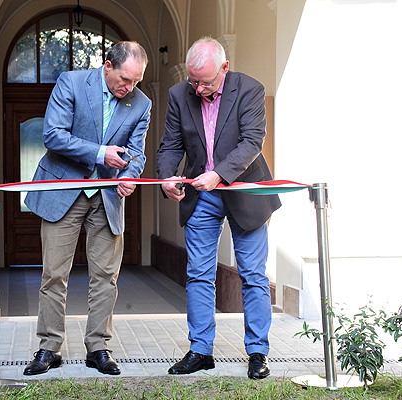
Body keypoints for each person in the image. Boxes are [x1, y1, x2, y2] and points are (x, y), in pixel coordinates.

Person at [156, 37, 281, 379]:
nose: (197, 89)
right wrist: (168, 177)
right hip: (202, 194)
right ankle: (200, 350)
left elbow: (252, 142)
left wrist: (219, 174)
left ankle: (258, 352)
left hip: (243, 190)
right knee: (198, 273)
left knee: (253, 275)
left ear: (224, 68)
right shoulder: (179, 95)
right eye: (193, 81)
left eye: (206, 82)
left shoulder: (250, 89)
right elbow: (170, 144)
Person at [23, 41, 150, 376]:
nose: (129, 88)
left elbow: (136, 152)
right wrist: (100, 153)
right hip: (64, 189)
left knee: (106, 276)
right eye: (125, 79)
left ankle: (98, 347)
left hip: (107, 196)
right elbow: (53, 135)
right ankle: (49, 348)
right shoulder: (72, 82)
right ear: (107, 65)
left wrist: (129, 176)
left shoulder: (142, 103)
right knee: (54, 274)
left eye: (136, 82)